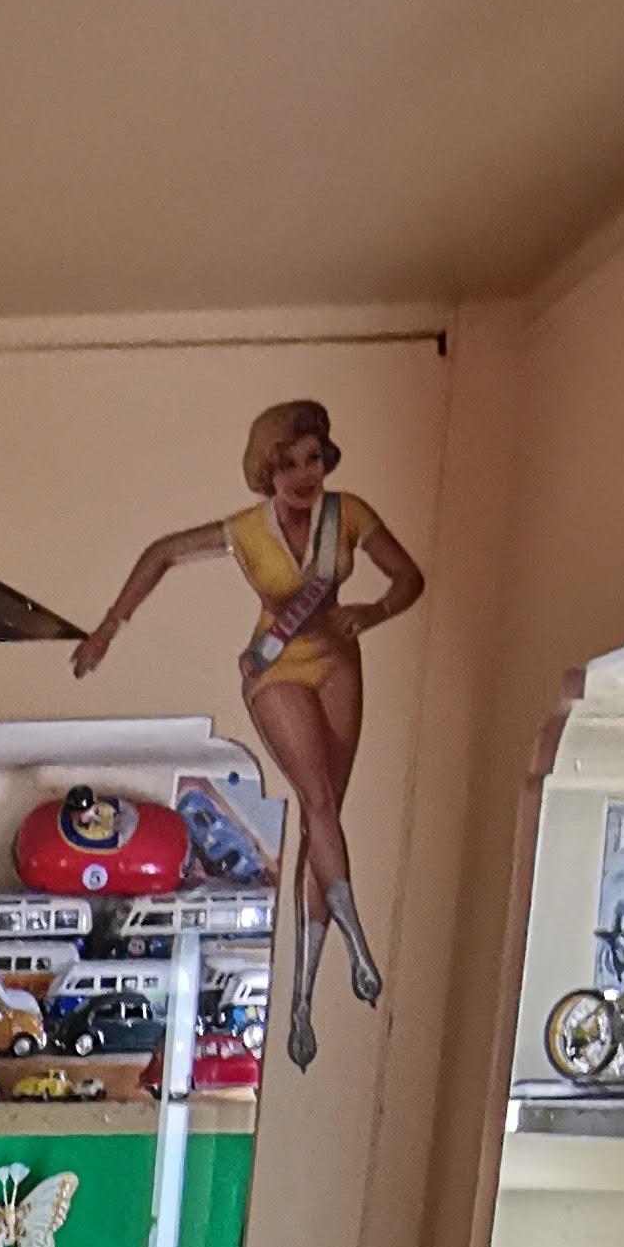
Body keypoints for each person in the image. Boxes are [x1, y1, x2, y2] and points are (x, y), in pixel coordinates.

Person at [71, 396, 424, 1069]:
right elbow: (162, 552)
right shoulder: (245, 530)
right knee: (316, 801)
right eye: (287, 464)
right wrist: (109, 628)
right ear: (268, 470)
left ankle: (302, 998)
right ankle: (356, 943)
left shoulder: (348, 514)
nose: (303, 474)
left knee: (326, 817)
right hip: (276, 667)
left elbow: (410, 577)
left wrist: (375, 612)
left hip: (340, 662)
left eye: (312, 458)